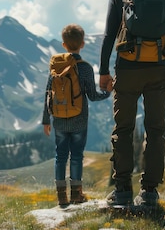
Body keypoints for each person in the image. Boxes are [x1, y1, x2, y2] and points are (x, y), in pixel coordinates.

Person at [99, 0, 165, 207]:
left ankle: (122, 189)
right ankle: (149, 192)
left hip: (127, 68)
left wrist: (103, 70)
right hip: (159, 67)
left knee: (123, 129)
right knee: (155, 130)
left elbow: (109, 35)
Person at [43, 23, 110, 207]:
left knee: (60, 156)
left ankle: (61, 197)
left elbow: (49, 93)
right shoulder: (85, 68)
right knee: (77, 156)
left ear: (64, 44)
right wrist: (108, 92)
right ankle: (76, 195)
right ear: (82, 43)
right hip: (79, 119)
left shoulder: (56, 66)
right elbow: (93, 96)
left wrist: (46, 120)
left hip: (58, 120)